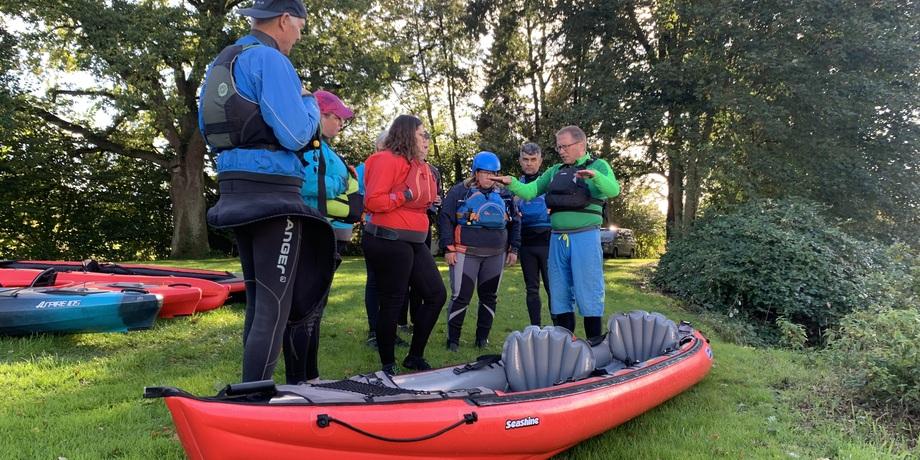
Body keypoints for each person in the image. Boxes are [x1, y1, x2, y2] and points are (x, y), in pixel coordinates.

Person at [200, 0, 336, 384]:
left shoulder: (224, 60)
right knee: (275, 307)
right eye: (300, 28)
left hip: (234, 189)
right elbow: (295, 134)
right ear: (285, 20)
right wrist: (309, 102)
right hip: (273, 194)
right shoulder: (271, 61)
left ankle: (250, 393)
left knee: (260, 303)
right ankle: (255, 402)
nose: (298, 36)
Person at [494, 126, 620, 340]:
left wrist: (595, 176)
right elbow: (530, 191)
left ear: (581, 144)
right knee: (559, 294)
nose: (561, 151)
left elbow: (613, 190)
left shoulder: (598, 166)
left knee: (588, 291)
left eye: (565, 146)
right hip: (557, 239)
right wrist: (512, 183)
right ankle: (565, 346)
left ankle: (594, 345)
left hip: (585, 238)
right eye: (558, 147)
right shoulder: (554, 171)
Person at [362, 115, 447, 375]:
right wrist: (405, 195)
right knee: (394, 301)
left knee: (435, 295)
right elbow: (373, 202)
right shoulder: (385, 160)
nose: (427, 140)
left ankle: (414, 356)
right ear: (407, 134)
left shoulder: (421, 166)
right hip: (387, 239)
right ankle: (387, 364)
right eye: (423, 134)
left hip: (414, 239)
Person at [295, 89, 359, 381]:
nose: (340, 124)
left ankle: (312, 376)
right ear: (320, 114)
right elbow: (307, 182)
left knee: (317, 308)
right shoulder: (307, 144)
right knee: (304, 309)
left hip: (329, 233)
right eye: (336, 117)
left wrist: (344, 180)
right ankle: (298, 380)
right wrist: (343, 181)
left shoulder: (326, 149)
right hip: (311, 230)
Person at [439, 151, 520, 351]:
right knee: (461, 296)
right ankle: (453, 341)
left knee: (489, 296)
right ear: (476, 173)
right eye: (484, 172)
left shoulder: (505, 194)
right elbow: (445, 218)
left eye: (493, 173)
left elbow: (515, 222)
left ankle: (482, 339)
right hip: (466, 253)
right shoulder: (459, 192)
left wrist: (514, 248)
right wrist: (448, 247)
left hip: (496, 253)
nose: (489, 177)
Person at [516, 142, 552, 326]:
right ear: (520, 161)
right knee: (532, 289)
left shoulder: (550, 184)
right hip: (527, 244)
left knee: (552, 289)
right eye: (525, 159)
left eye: (533, 159)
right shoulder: (514, 188)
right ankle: (535, 329)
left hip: (548, 243)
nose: (529, 163)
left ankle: (560, 330)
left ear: (540, 161)